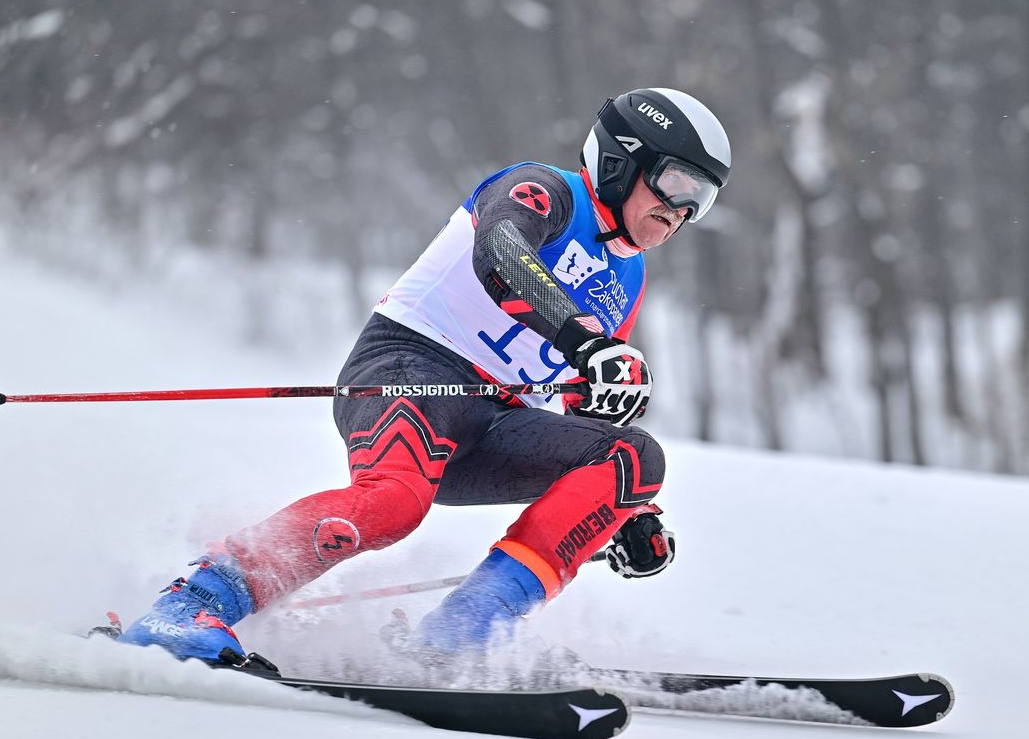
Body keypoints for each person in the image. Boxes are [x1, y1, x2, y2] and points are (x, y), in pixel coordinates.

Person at [114, 88, 731, 661]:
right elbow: (501, 255)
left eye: (699, 200)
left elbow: (585, 395)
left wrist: (624, 515)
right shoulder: (543, 190)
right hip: (409, 370)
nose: (680, 212)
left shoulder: (628, 276)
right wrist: (587, 341)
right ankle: (187, 607)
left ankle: (464, 634)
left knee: (631, 460)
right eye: (674, 184)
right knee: (393, 504)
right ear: (623, 163)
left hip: (494, 421)